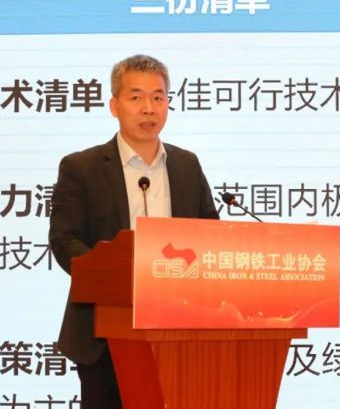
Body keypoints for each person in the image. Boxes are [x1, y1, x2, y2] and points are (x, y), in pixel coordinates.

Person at [49, 54, 219, 408]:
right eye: (136, 97)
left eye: (158, 97)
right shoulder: (82, 167)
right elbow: (64, 240)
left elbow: (210, 235)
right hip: (104, 334)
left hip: (180, 331)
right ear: (114, 105)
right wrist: (111, 276)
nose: (148, 108)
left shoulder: (187, 165)